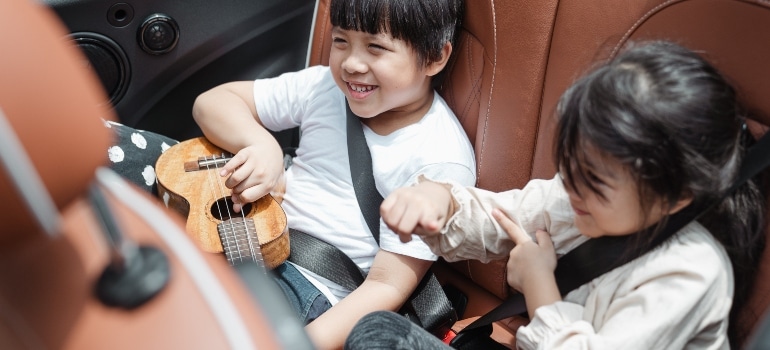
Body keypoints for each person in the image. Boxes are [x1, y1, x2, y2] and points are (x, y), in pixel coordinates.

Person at [344, 40, 766, 349]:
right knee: (377, 331)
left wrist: (537, 281)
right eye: (570, 165)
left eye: (595, 182)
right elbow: (501, 215)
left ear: (677, 196)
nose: (571, 185)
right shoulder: (575, 199)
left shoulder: (690, 272)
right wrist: (439, 201)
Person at [192, 0, 474, 349]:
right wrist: (263, 144)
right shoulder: (324, 87)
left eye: (376, 47)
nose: (352, 64)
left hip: (311, 289)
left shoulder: (440, 159)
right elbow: (212, 102)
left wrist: (297, 343)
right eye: (341, 41)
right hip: (249, 241)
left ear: (434, 57)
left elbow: (385, 286)